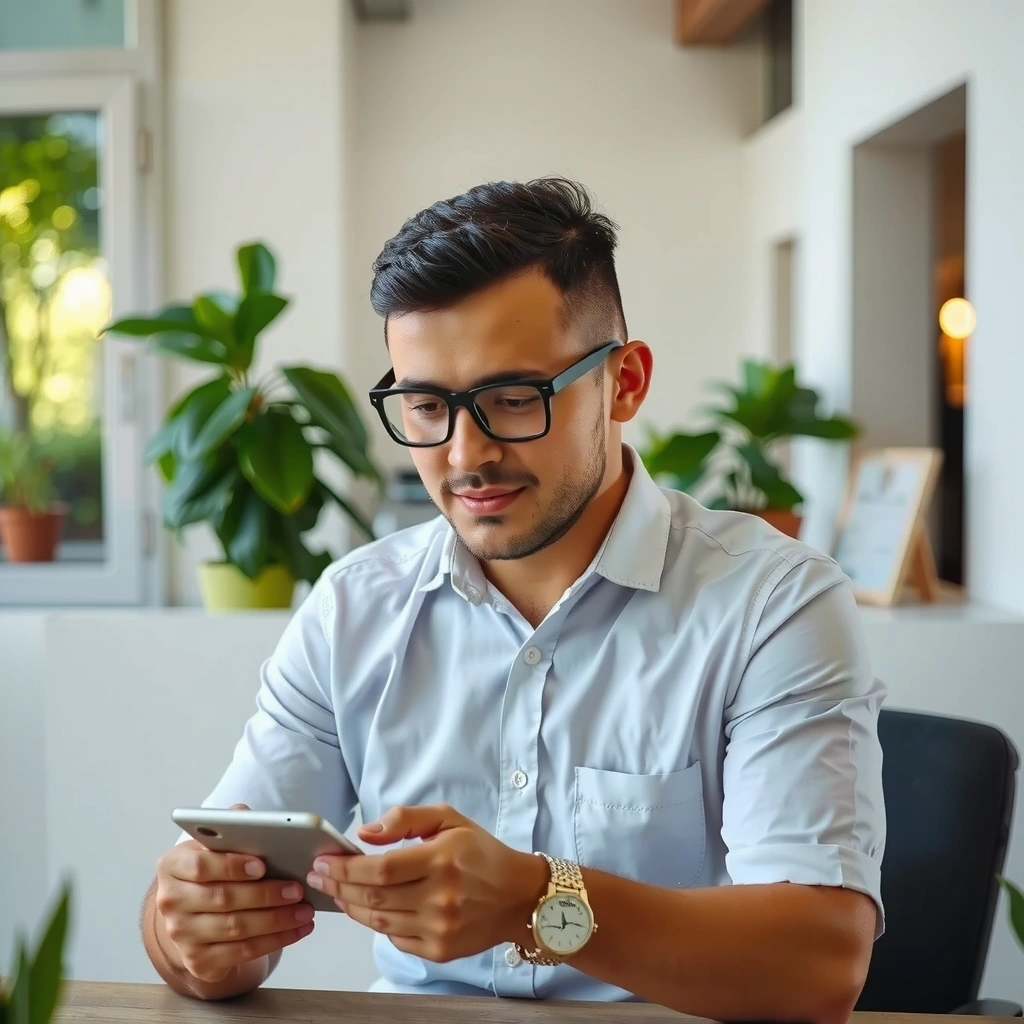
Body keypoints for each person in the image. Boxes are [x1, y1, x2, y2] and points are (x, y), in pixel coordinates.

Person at [141, 177, 885, 1021]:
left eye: (511, 399)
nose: (465, 455)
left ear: (626, 383)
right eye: (426, 406)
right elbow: (201, 932)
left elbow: (819, 963)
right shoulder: (354, 609)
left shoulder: (773, 603)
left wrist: (537, 904)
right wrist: (191, 935)